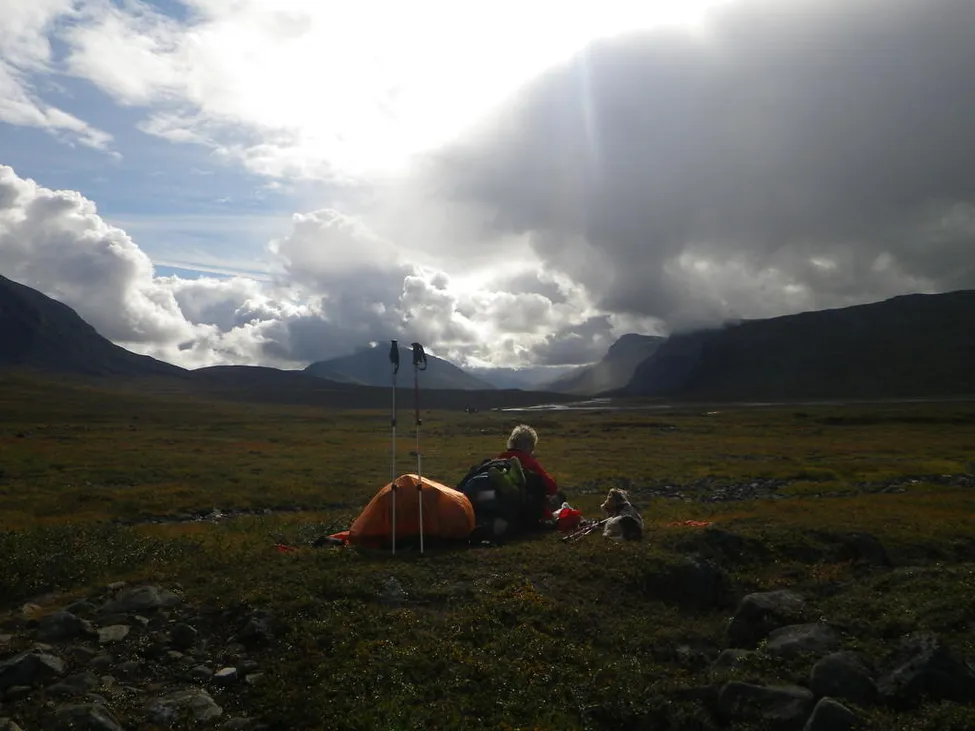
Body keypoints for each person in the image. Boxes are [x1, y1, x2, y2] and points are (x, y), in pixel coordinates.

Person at [496, 424, 560, 525]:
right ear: (528, 445)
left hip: (501, 507)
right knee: (559, 496)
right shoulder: (529, 462)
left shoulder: (499, 459)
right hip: (527, 510)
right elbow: (552, 487)